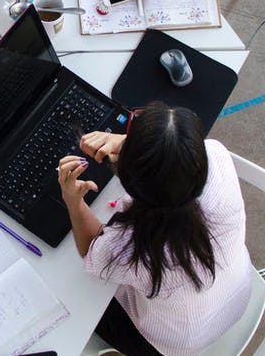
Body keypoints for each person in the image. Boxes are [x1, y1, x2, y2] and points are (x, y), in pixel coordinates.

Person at [57, 102, 251, 355]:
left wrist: (73, 200)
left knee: (79, 296)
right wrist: (140, 146)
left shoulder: (131, 250)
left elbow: (92, 248)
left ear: (128, 182)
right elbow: (176, 161)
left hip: (169, 344)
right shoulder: (216, 156)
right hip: (235, 295)